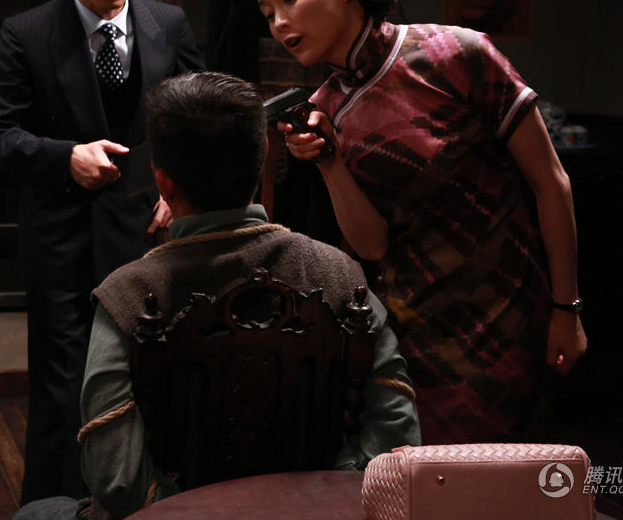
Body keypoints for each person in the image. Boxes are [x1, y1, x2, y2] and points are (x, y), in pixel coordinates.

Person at [250, 0, 587, 444]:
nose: (279, 21)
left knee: (504, 479)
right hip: (411, 340)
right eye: (268, 12)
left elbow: (551, 182)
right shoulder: (323, 109)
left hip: (508, 319)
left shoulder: (456, 54)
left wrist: (567, 309)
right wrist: (329, 163)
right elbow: (372, 245)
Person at [71, 72, 419, 518]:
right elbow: (396, 437)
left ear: (163, 182)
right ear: (261, 160)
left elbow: (116, 478)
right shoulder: (340, 276)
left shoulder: (128, 295)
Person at [0, 0, 203, 503]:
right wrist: (65, 157)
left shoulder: (168, 24)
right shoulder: (27, 32)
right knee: (63, 393)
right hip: (62, 244)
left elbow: (197, 119)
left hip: (150, 238)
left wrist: (179, 189)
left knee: (150, 383)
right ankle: (52, 510)